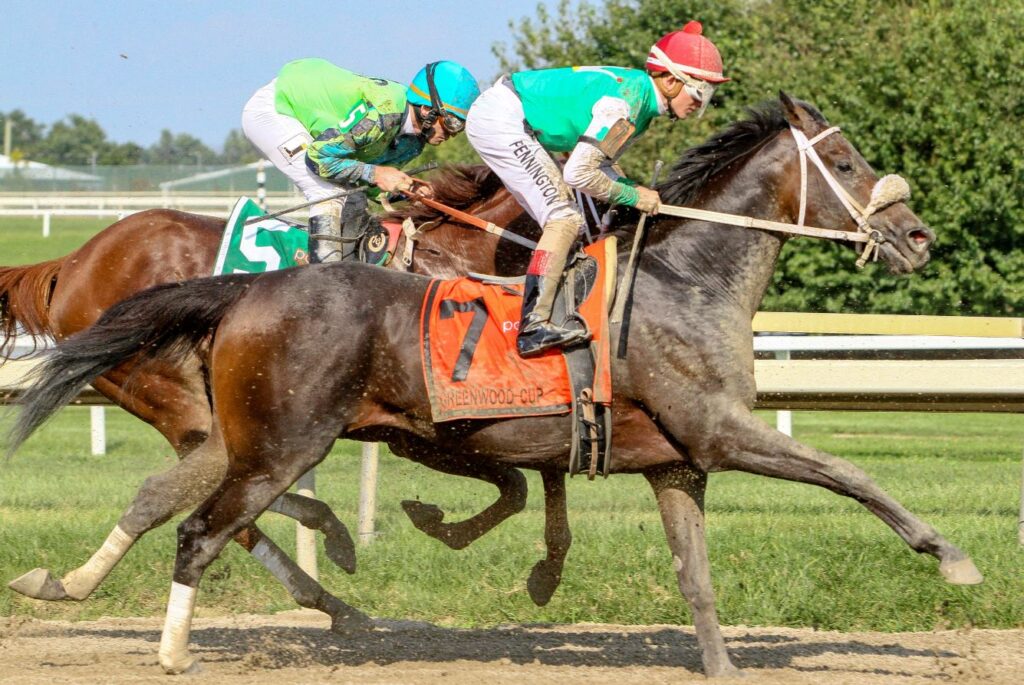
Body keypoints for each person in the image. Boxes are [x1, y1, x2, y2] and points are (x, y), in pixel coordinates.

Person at [465, 21, 729, 357]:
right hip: (504, 120)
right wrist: (635, 195)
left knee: (578, 212)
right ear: (672, 80)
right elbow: (578, 173)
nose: (700, 105)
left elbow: (600, 166)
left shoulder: (642, 101)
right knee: (564, 218)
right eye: (700, 92)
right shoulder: (625, 105)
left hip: (513, 116)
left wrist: (630, 187)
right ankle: (534, 324)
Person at [243, 58, 480, 263]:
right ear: (428, 110)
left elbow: (362, 182)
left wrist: (406, 189)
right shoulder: (384, 114)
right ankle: (322, 283)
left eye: (460, 127)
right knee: (327, 192)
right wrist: (378, 173)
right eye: (452, 123)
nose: (453, 134)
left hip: (310, 119)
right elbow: (318, 159)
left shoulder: (414, 142)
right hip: (276, 108)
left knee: (352, 198)